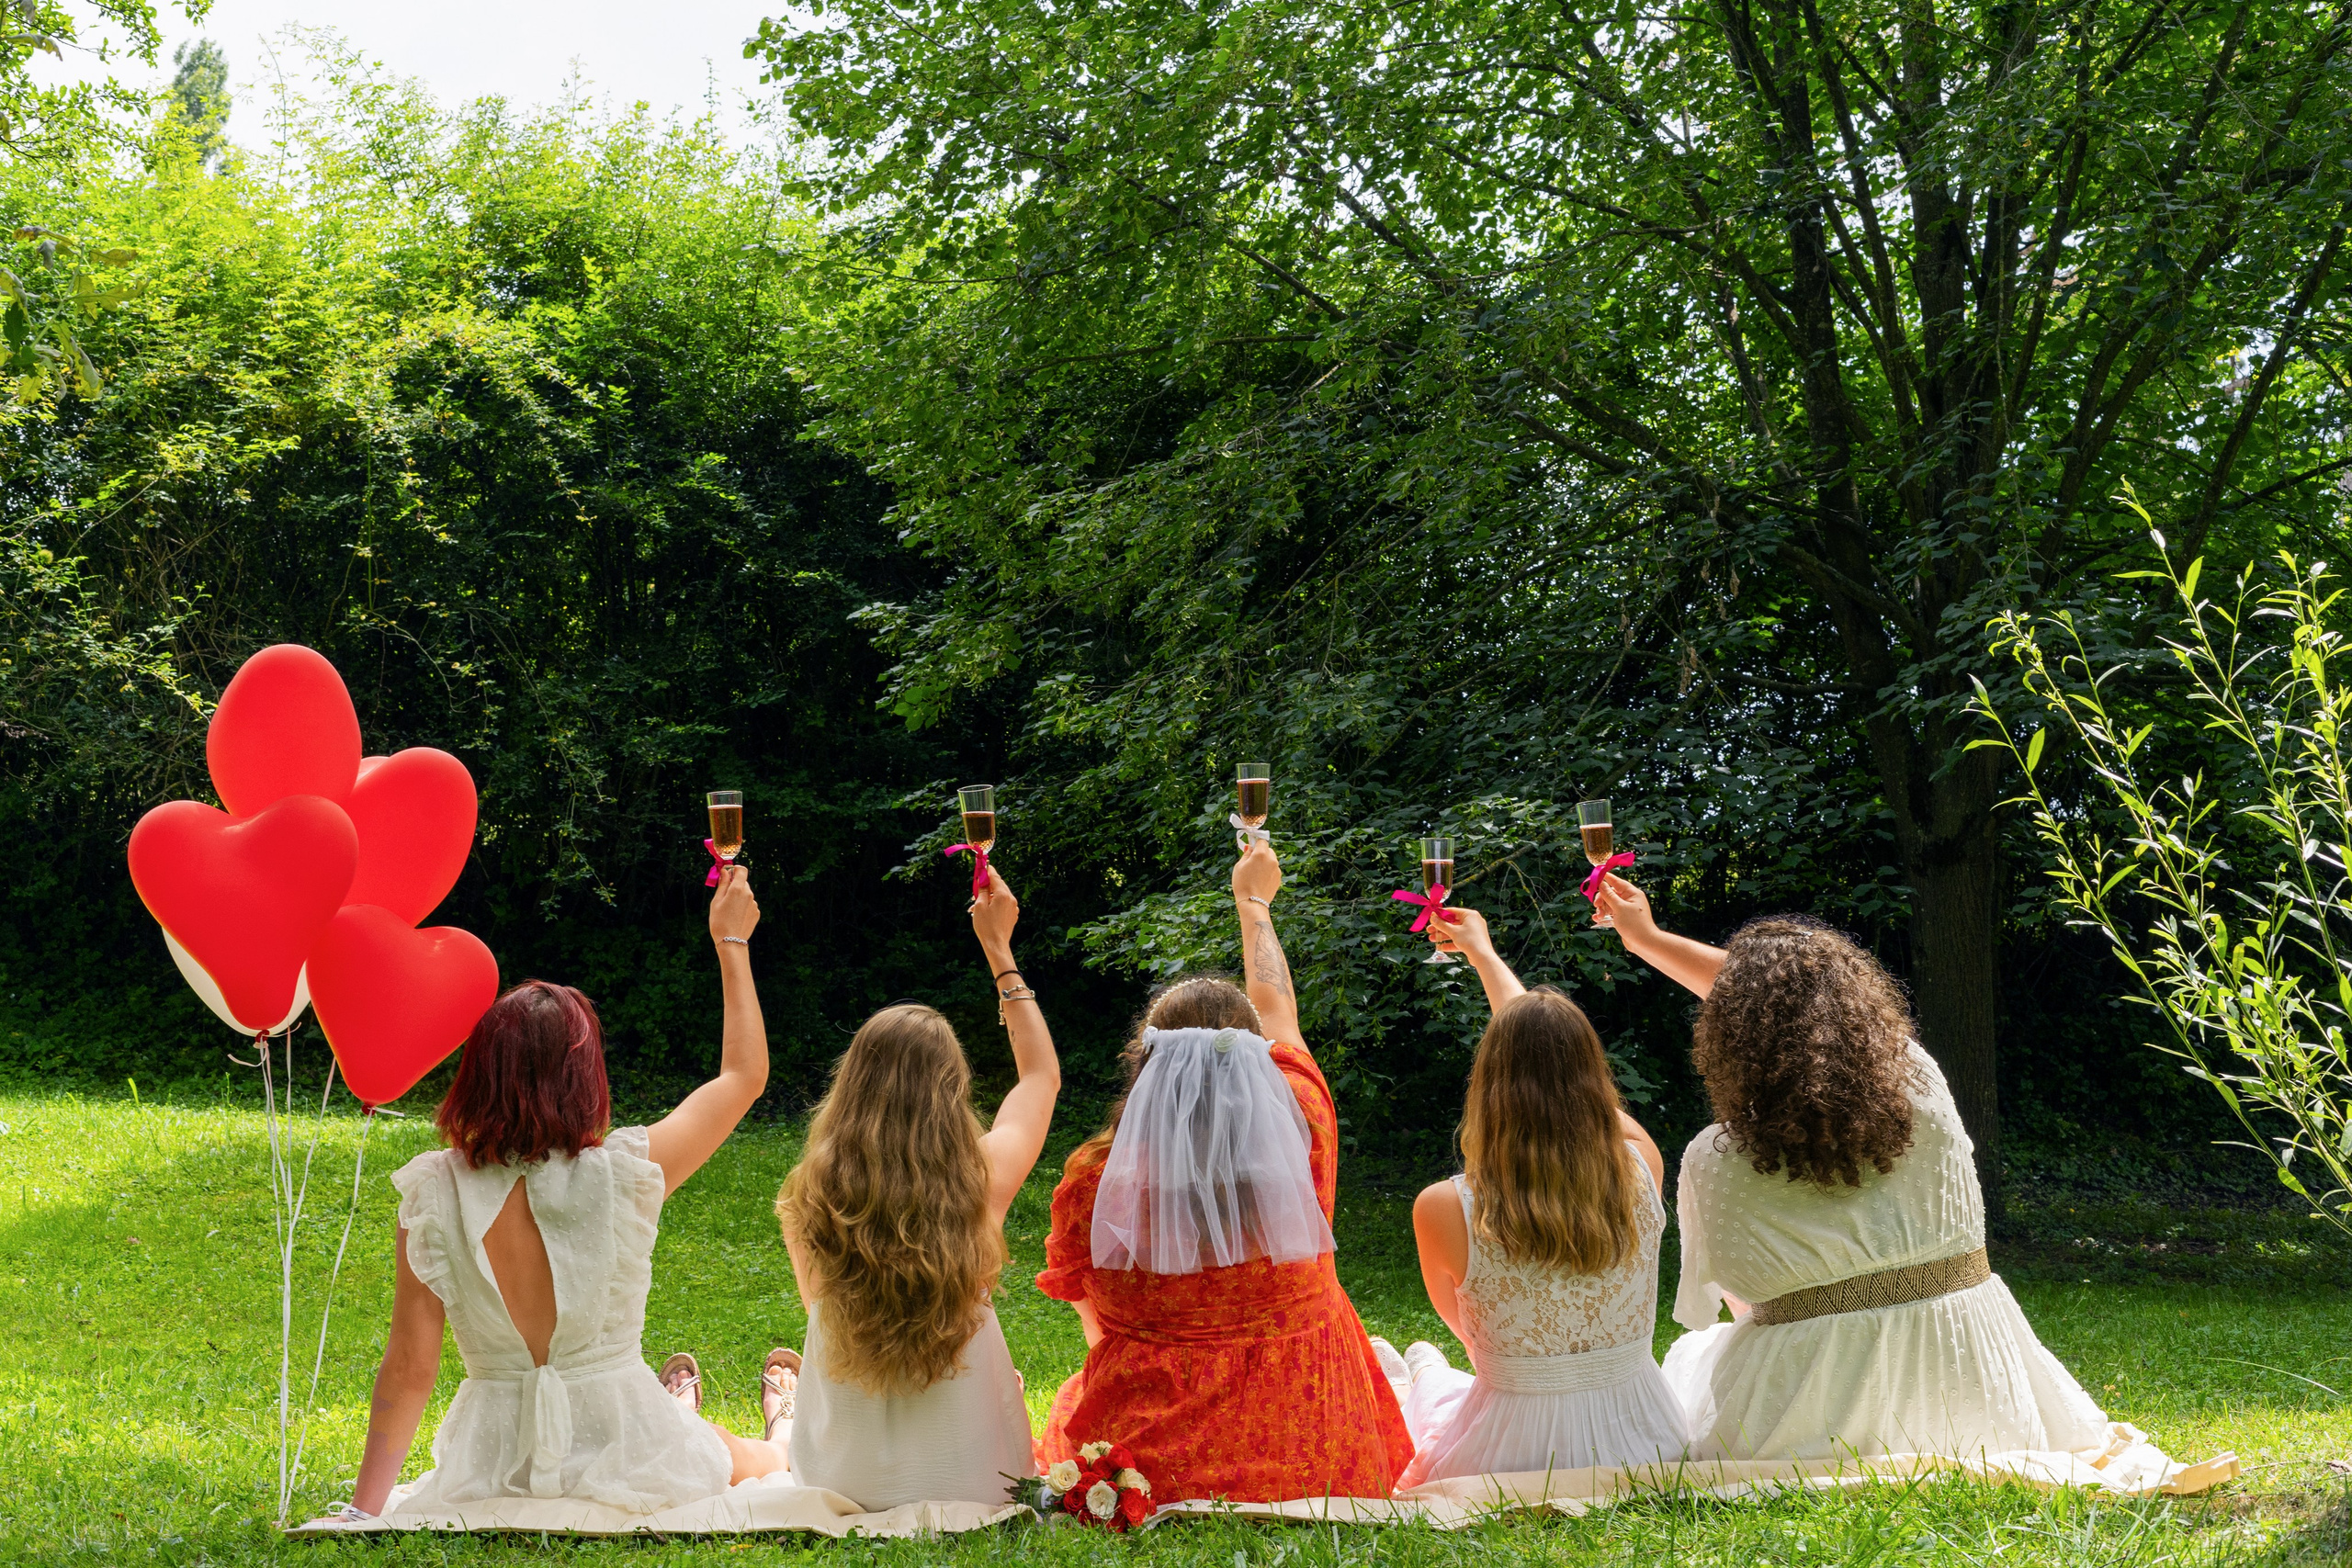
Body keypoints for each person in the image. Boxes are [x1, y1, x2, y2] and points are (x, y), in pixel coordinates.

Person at [1593, 874, 2111, 1461]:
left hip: (1809, 1407)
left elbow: (1743, 1299)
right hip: (1971, 1389)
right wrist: (1647, 938)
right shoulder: (1923, 1083)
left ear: (1727, 1035)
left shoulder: (1713, 1159)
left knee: (1698, 1357)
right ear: (1861, 1008)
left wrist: (1643, 941)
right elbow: (1800, 1002)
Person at [345, 868, 786, 1523]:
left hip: (495, 1460)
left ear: (480, 1072)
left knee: (712, 1442)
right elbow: (745, 1075)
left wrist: (363, 1510)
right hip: (626, 1435)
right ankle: (783, 1420)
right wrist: (731, 942)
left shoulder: (434, 1190)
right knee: (760, 1458)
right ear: (585, 1077)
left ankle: (687, 1404)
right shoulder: (625, 1172)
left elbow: (411, 1366)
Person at [1032, 840, 1413, 1502]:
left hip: (1149, 1465)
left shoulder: (1094, 1186)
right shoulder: (1305, 1132)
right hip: (1318, 1451)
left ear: (1146, 1067)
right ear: (1257, 1063)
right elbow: (1280, 1007)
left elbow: (1101, 1332)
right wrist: (1254, 902)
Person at [773, 865, 1058, 1509]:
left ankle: (777, 1414)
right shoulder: (979, 1180)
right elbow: (1040, 1077)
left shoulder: (808, 1197)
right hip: (977, 1475)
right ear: (952, 1093)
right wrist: (999, 950)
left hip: (841, 1474)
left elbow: (818, 1311)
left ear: (851, 1088)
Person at [1370, 904, 1685, 1484]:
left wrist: (1483, 958)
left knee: (1435, 1386)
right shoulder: (1644, 1164)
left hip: (1509, 1450)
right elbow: (1596, 1110)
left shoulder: (1443, 1206)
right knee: (1435, 1384)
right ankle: (1422, 1370)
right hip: (1646, 1439)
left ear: (1486, 1083)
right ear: (1594, 1079)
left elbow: (1470, 1332)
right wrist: (1488, 959)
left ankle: (1421, 1368)